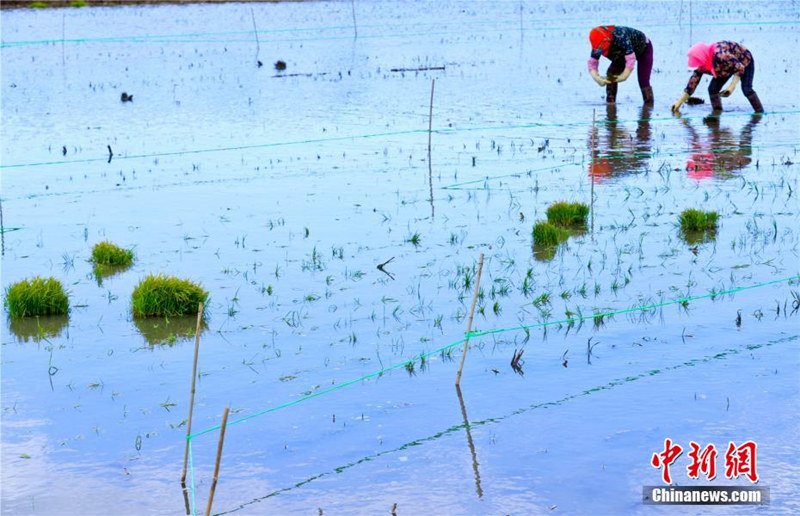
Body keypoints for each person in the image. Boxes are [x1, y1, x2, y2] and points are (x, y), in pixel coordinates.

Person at [671, 41, 764, 113]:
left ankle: (759, 113)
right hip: (723, 68)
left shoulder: (721, 55)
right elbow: (692, 84)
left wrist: (731, 87)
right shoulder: (703, 64)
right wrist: (679, 103)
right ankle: (717, 113)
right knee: (712, 89)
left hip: (744, 61)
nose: (698, 66)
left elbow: (739, 67)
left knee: (746, 89)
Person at [587, 25, 654, 105]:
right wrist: (597, 78)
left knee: (643, 80)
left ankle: (648, 107)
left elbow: (630, 59)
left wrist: (624, 76)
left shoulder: (620, 36)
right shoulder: (598, 46)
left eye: (602, 47)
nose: (600, 50)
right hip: (621, 55)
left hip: (643, 48)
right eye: (599, 49)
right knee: (611, 75)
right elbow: (592, 63)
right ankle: (610, 104)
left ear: (607, 39)